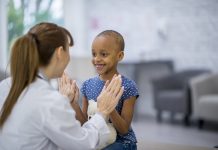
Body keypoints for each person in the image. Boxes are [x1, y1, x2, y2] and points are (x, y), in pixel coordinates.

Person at [0, 22, 124, 150]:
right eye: (68, 50)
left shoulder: (4, 86)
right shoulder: (50, 101)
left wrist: (63, 101)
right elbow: (84, 144)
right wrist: (102, 112)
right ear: (60, 52)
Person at [81, 30, 139, 150]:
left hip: (122, 142)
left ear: (120, 56)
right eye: (94, 54)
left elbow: (123, 130)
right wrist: (71, 102)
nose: (96, 59)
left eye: (103, 54)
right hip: (98, 139)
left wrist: (109, 108)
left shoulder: (127, 86)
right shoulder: (87, 85)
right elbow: (83, 124)